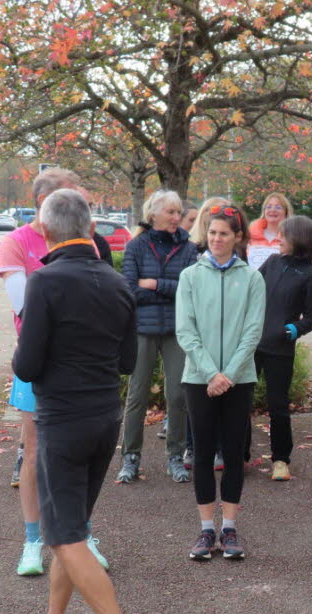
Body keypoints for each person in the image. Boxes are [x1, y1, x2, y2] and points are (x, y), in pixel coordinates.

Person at [13, 189, 136, 614]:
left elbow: (26, 366)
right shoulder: (118, 282)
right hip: (106, 417)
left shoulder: (44, 281)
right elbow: (128, 361)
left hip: (63, 421)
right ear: (88, 226)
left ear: (44, 230)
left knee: (64, 537)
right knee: (73, 531)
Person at [0, 167, 108, 576]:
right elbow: (24, 305)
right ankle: (32, 541)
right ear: (44, 202)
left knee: (81, 456)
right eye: (68, 198)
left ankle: (82, 535)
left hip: (80, 363)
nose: (76, 207)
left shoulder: (86, 243)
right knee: (34, 451)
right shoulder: (15, 242)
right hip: (38, 362)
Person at [175, 203, 265, 561]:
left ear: (238, 237)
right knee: (201, 456)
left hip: (238, 380)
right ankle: (205, 530)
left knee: (232, 453)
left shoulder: (253, 278)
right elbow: (186, 329)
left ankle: (229, 528)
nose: (216, 239)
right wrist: (211, 373)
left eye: (224, 233)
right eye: (212, 232)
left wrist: (229, 373)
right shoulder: (190, 276)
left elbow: (253, 330)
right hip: (200, 379)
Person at [118, 189, 197, 484]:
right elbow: (129, 290)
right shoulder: (136, 246)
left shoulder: (188, 248)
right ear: (154, 214)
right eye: (171, 212)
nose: (177, 218)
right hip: (142, 330)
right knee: (137, 395)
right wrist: (167, 289)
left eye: (179, 212)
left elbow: (189, 291)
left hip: (177, 330)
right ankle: (131, 457)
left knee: (178, 395)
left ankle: (175, 456)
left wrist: (154, 284)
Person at [254, 215, 312, 482]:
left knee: (278, 405)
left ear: (298, 238)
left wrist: (292, 330)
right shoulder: (272, 263)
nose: (278, 239)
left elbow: (310, 317)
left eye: (283, 235)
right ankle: (239, 455)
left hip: (280, 348)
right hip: (252, 343)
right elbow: (250, 289)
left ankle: (281, 460)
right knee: (241, 399)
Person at [247, 193, 292, 268]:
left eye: (278, 207)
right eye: (268, 207)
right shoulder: (249, 235)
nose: (273, 210)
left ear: (286, 212)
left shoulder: (292, 237)